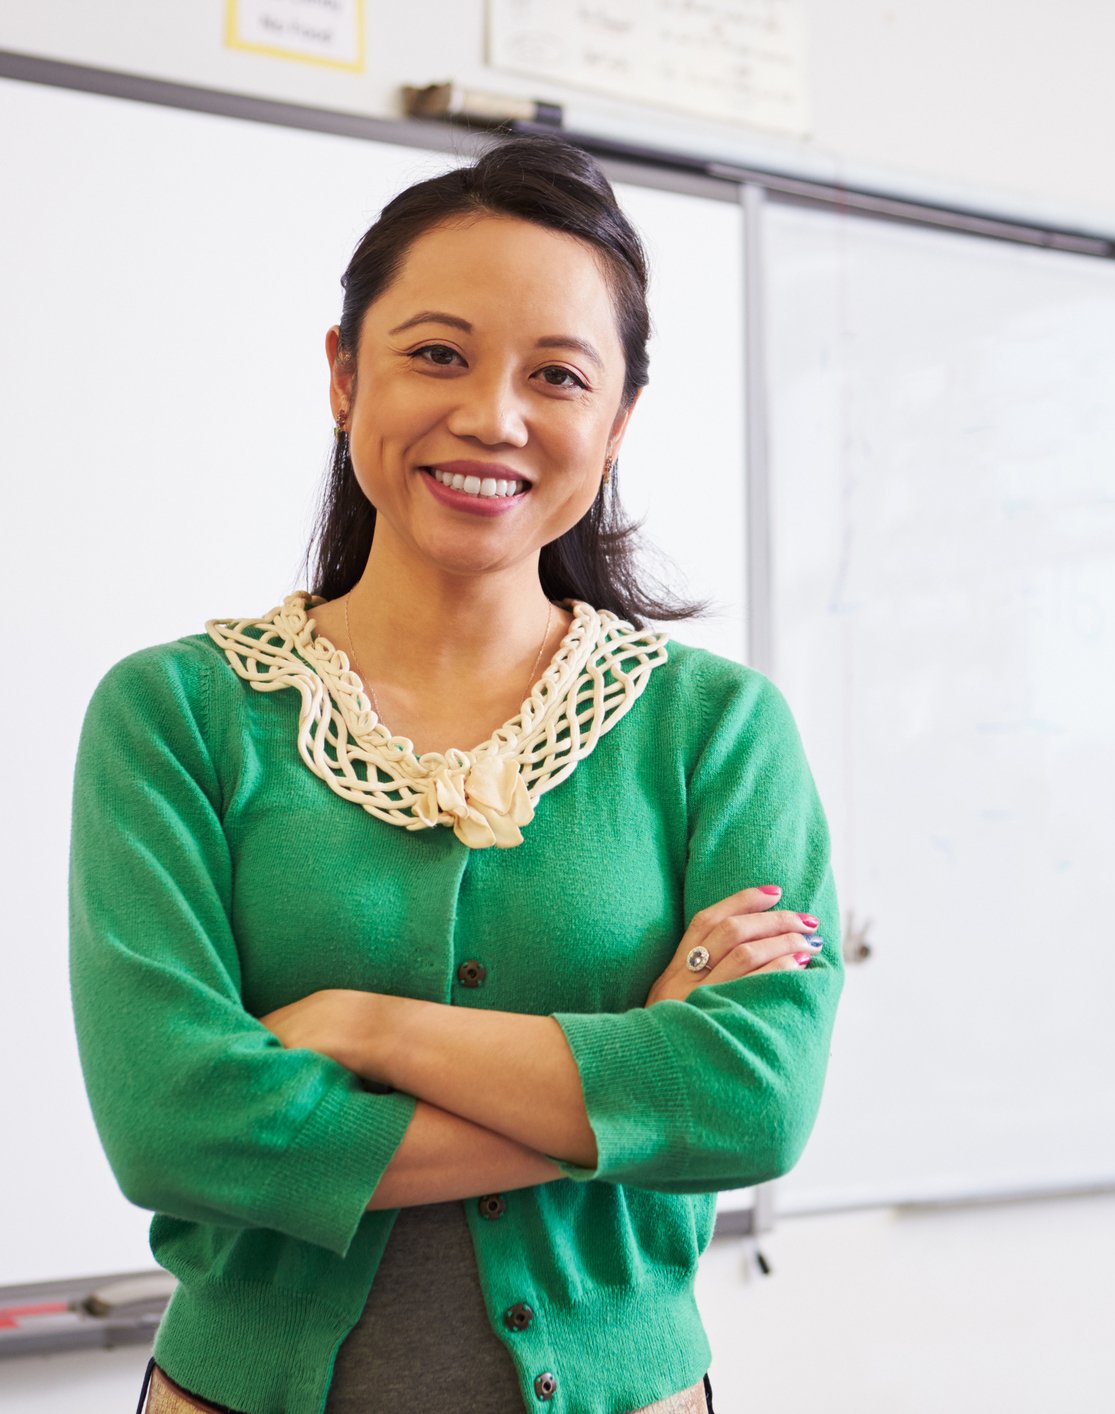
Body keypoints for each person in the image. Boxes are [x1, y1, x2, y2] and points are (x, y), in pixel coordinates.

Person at [69, 137, 841, 1414]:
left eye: (557, 375)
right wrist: (633, 1078)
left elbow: (753, 1106)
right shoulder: (176, 714)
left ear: (616, 422)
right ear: (342, 371)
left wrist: (369, 1027)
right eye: (437, 353)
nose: (492, 415)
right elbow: (174, 1122)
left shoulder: (717, 729)